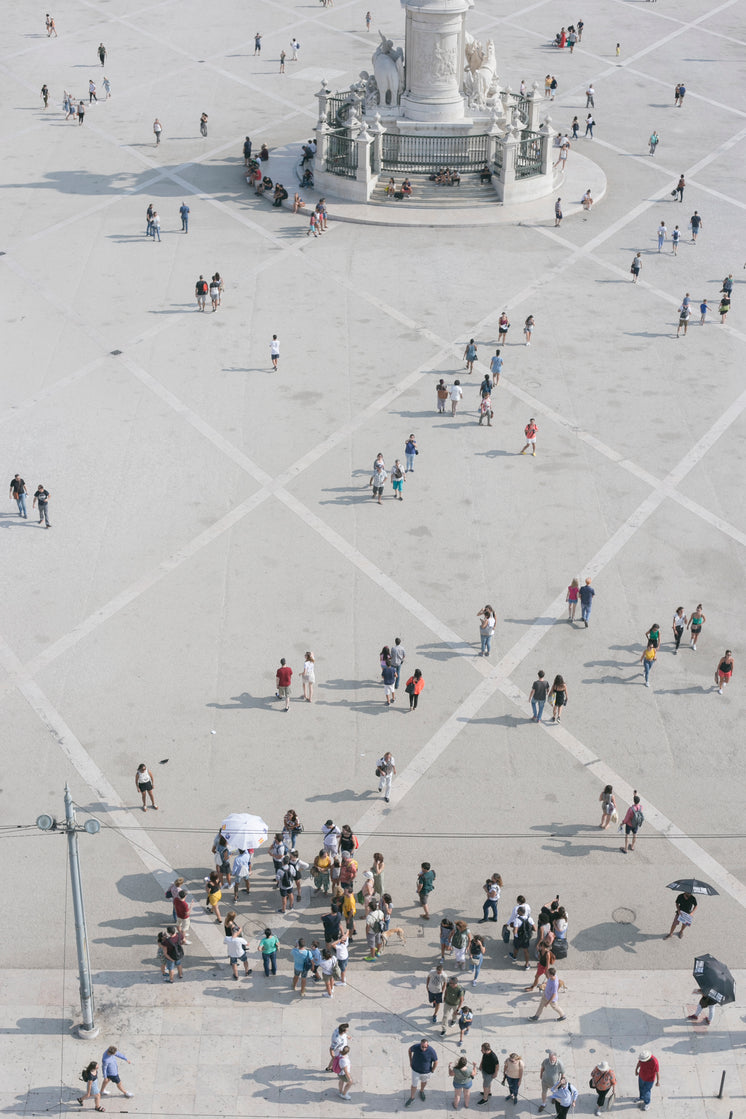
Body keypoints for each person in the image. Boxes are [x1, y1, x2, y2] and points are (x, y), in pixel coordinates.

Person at [406, 1038, 438, 1108]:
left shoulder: (431, 1051)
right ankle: (412, 1098)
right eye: (422, 1047)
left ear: (427, 1045)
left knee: (424, 1082)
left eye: (425, 1047)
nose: (424, 1049)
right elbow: (409, 1050)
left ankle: (421, 1091)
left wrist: (432, 1070)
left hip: (426, 1072)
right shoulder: (416, 1047)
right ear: (420, 1044)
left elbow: (436, 1061)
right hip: (415, 1070)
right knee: (414, 1085)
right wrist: (410, 1061)